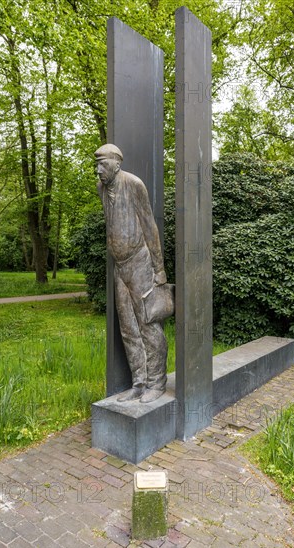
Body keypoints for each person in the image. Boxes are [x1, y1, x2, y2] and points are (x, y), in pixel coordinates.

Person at [95, 143, 168, 403]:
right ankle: (139, 383)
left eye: (103, 164)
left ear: (116, 162)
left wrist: (159, 269)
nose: (98, 170)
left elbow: (150, 227)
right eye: (97, 164)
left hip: (140, 262)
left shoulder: (134, 184)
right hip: (120, 266)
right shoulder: (102, 188)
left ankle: (157, 383)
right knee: (128, 326)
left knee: (148, 324)